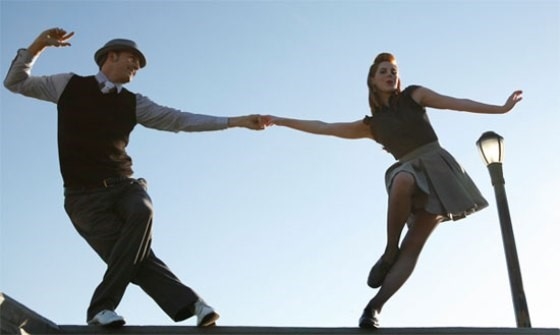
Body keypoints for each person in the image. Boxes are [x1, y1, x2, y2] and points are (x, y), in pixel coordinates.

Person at [4, 27, 265, 328]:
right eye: (132, 60)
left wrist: (236, 122)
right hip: (83, 200)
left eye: (139, 66)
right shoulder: (68, 85)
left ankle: (101, 308)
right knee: (131, 260)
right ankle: (193, 305)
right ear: (110, 57)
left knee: (143, 210)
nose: (136, 68)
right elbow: (15, 82)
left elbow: (179, 120)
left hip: (125, 186)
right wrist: (37, 46)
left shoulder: (134, 103)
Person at [263, 52, 523, 328]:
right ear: (372, 81)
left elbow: (457, 103)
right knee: (402, 179)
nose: (391, 75)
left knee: (413, 247)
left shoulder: (414, 95)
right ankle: (389, 249)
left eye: (394, 71)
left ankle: (373, 308)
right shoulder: (371, 125)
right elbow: (324, 127)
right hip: (409, 169)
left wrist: (501, 108)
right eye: (384, 72)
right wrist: (280, 120)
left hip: (439, 172)